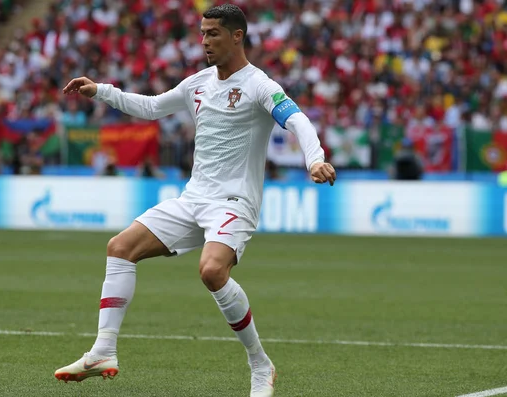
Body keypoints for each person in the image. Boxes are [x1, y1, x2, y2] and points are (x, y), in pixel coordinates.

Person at [55, 4, 336, 396]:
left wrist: (315, 159)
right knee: (120, 248)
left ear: (237, 36)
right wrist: (100, 91)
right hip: (193, 198)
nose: (205, 41)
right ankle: (102, 350)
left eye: (214, 33)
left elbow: (297, 120)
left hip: (234, 201)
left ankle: (260, 365)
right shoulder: (197, 83)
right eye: (203, 33)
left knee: (211, 271)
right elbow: (152, 107)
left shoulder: (259, 85)